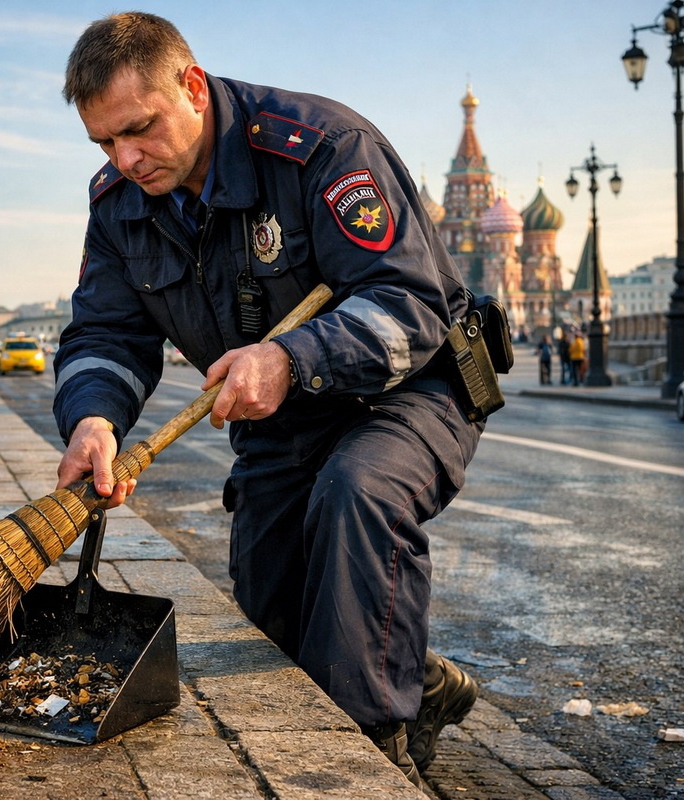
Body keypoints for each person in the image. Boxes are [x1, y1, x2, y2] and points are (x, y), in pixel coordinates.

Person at [53, 12, 482, 785]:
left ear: (191, 86)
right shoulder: (119, 201)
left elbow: (409, 307)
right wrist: (92, 420)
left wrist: (291, 356)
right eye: (105, 143)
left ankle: (369, 758)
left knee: (356, 494)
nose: (126, 157)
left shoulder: (324, 149)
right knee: (275, 624)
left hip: (410, 390)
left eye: (140, 130)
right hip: (282, 416)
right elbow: (106, 335)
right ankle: (415, 680)